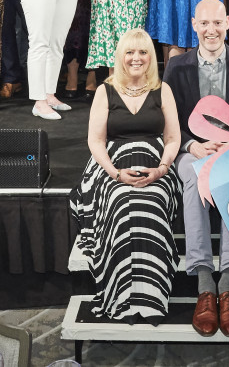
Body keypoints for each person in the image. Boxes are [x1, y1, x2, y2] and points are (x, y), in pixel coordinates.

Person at [162, 0, 229, 337]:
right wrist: (192, 145)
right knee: (192, 171)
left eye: (217, 23)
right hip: (193, 149)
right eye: (204, 23)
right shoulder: (177, 67)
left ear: (228, 23)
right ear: (194, 25)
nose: (211, 30)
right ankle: (205, 282)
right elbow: (169, 120)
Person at [70, 28, 182, 322]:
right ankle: (122, 296)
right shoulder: (105, 91)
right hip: (112, 166)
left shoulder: (163, 90)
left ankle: (152, 297)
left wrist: (161, 169)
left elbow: (172, 138)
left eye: (143, 52)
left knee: (152, 203)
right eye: (130, 52)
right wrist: (115, 174)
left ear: (151, 57)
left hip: (157, 166)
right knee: (122, 202)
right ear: (120, 57)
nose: (136, 58)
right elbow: (95, 141)